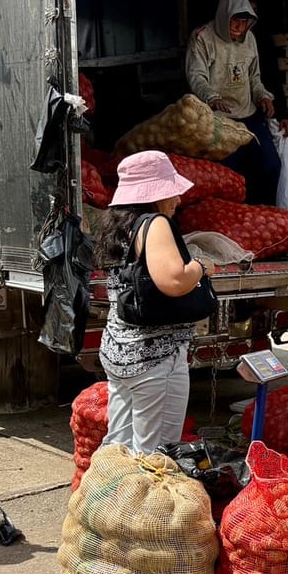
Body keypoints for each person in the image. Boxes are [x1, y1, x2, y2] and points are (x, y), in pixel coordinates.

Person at [93, 151, 216, 454]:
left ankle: (109, 496)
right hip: (154, 356)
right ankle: (141, 502)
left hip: (120, 351)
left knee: (117, 446)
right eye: (171, 190)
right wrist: (202, 266)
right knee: (154, 453)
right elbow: (174, 281)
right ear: (154, 193)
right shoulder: (155, 223)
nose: (177, 198)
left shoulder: (117, 225)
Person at [185, 0, 285, 205]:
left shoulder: (250, 39)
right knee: (229, 174)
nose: (240, 27)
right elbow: (196, 76)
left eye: (245, 21)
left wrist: (263, 97)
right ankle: (231, 218)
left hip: (248, 116)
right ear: (224, 15)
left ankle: (262, 212)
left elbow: (255, 78)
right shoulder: (202, 36)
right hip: (219, 119)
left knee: (270, 165)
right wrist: (211, 97)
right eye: (236, 20)